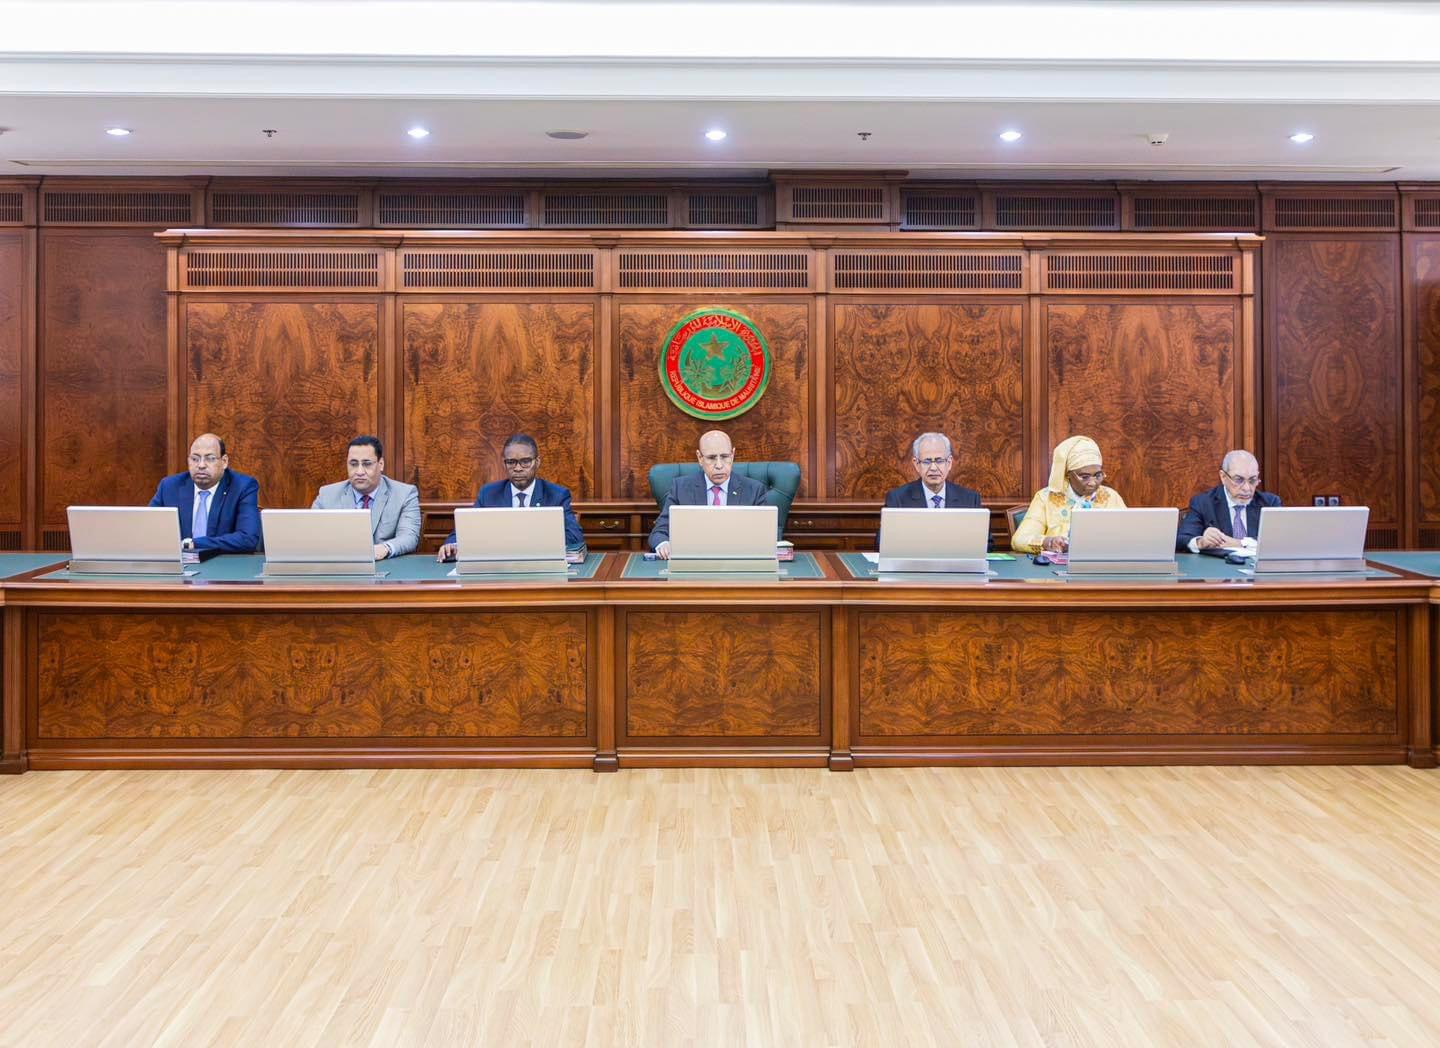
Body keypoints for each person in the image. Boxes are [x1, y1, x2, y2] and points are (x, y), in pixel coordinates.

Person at [437, 434, 583, 561]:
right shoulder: (489, 494)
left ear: (537, 462)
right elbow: (464, 532)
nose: (518, 468)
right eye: (511, 462)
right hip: (498, 568)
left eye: (525, 462)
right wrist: (452, 544)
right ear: (504, 464)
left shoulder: (556, 495)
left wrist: (526, 544)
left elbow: (575, 537)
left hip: (539, 565)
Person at [649, 429, 769, 560]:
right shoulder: (681, 488)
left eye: (725, 457)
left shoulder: (754, 490)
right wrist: (663, 544)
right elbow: (659, 532)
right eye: (711, 458)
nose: (719, 465)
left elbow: (766, 536)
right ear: (700, 458)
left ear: (733, 455)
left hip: (738, 563)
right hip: (695, 563)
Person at [148, 432, 261, 556]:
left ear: (224, 461)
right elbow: (147, 528)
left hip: (221, 564)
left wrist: (194, 544)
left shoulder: (242, 487)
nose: (201, 465)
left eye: (210, 458)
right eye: (195, 459)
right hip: (178, 564)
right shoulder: (169, 487)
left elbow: (247, 538)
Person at [1010, 435, 1126, 554]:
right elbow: (1019, 540)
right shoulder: (1045, 498)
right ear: (1068, 474)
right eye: (1084, 477)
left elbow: (1128, 535)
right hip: (1056, 564)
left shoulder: (1110, 496)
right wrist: (1048, 542)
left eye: (1098, 475)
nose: (1093, 482)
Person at [311, 435, 420, 560]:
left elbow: (409, 537)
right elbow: (311, 535)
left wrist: (385, 548)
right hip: (341, 566)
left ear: (381, 464)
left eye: (367, 464)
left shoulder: (404, 494)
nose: (359, 472)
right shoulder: (327, 495)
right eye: (353, 464)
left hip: (386, 566)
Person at [1176, 449, 1280, 552]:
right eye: (1238, 480)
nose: (1247, 488)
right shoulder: (1203, 503)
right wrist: (1201, 542)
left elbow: (1279, 541)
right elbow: (1182, 539)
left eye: (1252, 480)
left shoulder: (1270, 503)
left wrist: (1240, 544)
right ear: (1223, 477)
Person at [884, 432, 983, 509]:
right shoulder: (897, 500)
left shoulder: (970, 500)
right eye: (927, 461)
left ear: (949, 463)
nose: (933, 468)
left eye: (939, 461)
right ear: (916, 464)